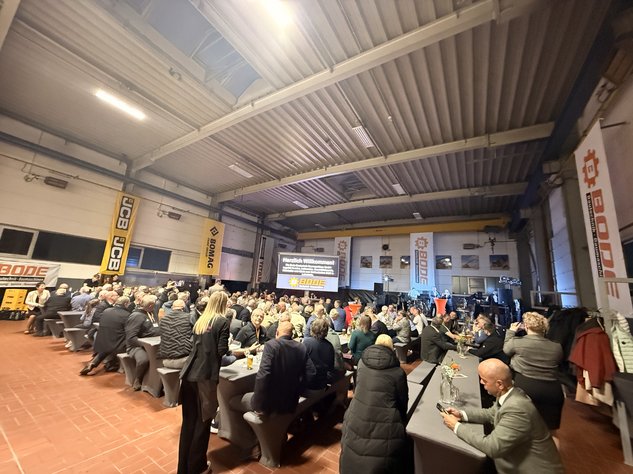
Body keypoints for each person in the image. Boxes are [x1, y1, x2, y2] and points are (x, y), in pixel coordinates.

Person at [441, 359, 563, 474]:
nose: (481, 382)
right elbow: (491, 414)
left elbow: (493, 447)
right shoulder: (509, 392)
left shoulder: (517, 409)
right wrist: (461, 414)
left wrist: (456, 426)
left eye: (484, 380)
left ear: (499, 384)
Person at [340, 334, 409, 473]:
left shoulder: (362, 363)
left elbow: (358, 388)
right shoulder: (398, 372)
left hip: (356, 413)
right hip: (385, 420)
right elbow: (402, 402)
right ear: (391, 349)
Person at [178, 291, 230, 474]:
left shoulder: (200, 320)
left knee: (188, 423)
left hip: (188, 375)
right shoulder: (222, 321)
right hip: (205, 378)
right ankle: (197, 467)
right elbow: (221, 351)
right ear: (223, 304)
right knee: (203, 423)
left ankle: (183, 468)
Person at [504, 312, 564, 441]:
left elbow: (506, 350)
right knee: (551, 432)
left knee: (519, 426)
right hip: (553, 390)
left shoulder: (517, 342)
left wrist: (511, 332)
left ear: (526, 326)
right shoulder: (557, 347)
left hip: (525, 387)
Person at [238, 321, 316, 415]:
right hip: (291, 401)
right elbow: (311, 372)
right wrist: (297, 390)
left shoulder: (271, 345)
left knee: (235, 400)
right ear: (291, 334)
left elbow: (263, 375)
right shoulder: (301, 347)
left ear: (277, 332)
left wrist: (258, 405)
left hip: (270, 403)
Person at [80, 296, 131, 375]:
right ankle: (111, 365)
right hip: (117, 345)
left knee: (107, 348)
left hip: (102, 341)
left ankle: (92, 363)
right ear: (126, 304)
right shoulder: (127, 315)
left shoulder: (106, 311)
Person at [125, 295, 160, 390]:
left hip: (154, 343)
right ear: (150, 305)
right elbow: (131, 338)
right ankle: (138, 379)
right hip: (136, 346)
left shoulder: (152, 312)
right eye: (154, 304)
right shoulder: (136, 316)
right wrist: (145, 344)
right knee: (143, 360)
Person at [303, 318, 336, 393]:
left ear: (312, 329)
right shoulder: (329, 345)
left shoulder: (307, 343)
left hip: (309, 385)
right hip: (322, 384)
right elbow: (331, 368)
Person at [159, 299, 194, 369]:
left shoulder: (163, 319)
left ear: (172, 308)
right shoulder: (189, 317)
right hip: (185, 360)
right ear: (184, 308)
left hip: (165, 360)